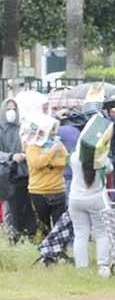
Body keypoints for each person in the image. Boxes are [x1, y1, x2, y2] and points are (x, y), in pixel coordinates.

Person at [68, 141, 110, 277]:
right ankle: (103, 266)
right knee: (102, 233)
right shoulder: (102, 159)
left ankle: (81, 268)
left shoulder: (75, 158)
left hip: (76, 199)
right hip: (97, 199)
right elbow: (110, 169)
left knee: (80, 234)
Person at [26, 118, 69, 236]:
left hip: (58, 189)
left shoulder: (59, 144)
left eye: (55, 130)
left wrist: (50, 161)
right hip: (38, 191)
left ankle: (59, 252)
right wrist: (52, 153)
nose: (54, 133)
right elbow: (36, 163)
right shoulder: (32, 147)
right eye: (51, 130)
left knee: (59, 226)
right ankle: (45, 251)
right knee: (43, 226)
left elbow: (67, 160)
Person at [0, 98, 35, 240]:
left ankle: (29, 235)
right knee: (10, 209)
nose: (11, 112)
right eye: (8, 109)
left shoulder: (23, 127)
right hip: (7, 175)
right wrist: (11, 156)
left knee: (26, 206)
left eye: (13, 109)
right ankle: (12, 237)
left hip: (25, 173)